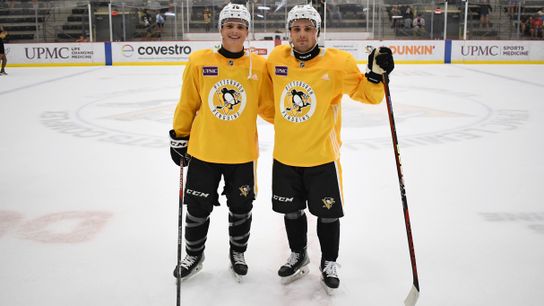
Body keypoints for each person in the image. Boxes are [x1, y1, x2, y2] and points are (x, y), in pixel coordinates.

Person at [265, 4, 394, 294]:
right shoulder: (275, 59)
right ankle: (299, 255)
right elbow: (265, 101)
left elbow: (367, 95)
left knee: (328, 213)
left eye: (308, 29)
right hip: (285, 155)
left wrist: (376, 75)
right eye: (296, 29)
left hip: (323, 157)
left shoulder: (337, 62)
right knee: (292, 211)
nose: (302, 35)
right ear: (289, 32)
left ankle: (329, 261)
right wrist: (291, 123)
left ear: (317, 31)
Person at [169, 2, 274, 282]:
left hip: (242, 153)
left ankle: (237, 253)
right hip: (204, 150)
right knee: (197, 207)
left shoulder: (259, 66)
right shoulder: (200, 61)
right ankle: (194, 254)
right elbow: (187, 103)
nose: (234, 31)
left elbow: (268, 107)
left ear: (247, 31)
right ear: (220, 29)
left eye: (240, 26)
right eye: (229, 25)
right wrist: (179, 136)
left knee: (241, 207)